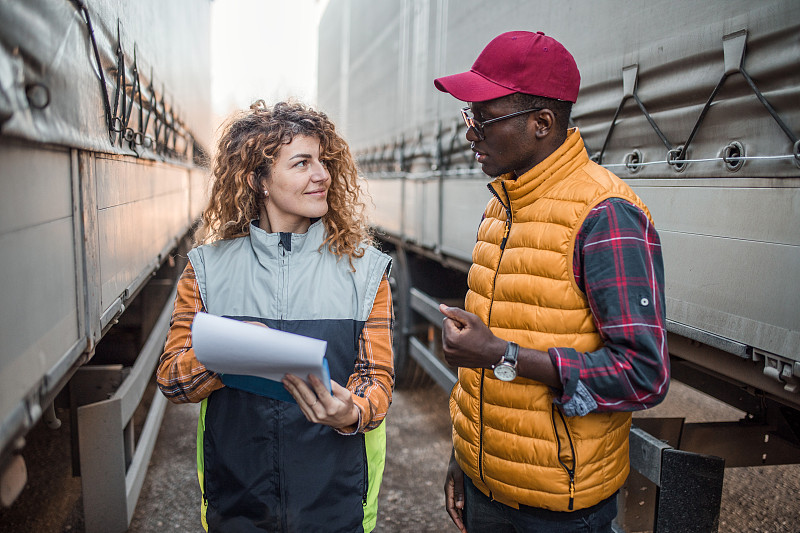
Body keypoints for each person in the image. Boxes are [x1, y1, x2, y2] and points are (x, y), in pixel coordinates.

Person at [433, 31, 669, 532]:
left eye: (483, 118)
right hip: (486, 487)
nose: (470, 133)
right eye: (467, 116)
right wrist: (466, 457)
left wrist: (502, 355)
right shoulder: (503, 204)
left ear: (542, 123)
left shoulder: (605, 215)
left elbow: (643, 374)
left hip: (559, 511)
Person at [157, 100, 394, 533]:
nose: (321, 175)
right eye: (302, 163)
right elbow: (172, 379)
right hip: (237, 503)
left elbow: (377, 381)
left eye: (323, 162)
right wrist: (224, 353)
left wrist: (352, 411)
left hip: (336, 502)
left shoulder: (366, 270)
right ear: (258, 180)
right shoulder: (206, 269)